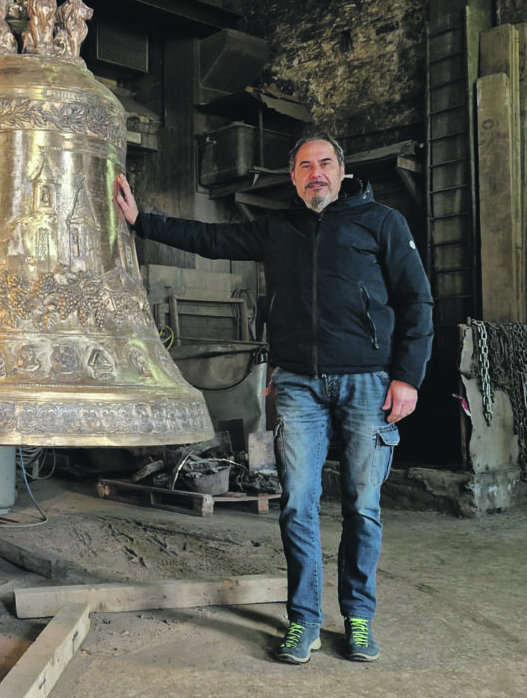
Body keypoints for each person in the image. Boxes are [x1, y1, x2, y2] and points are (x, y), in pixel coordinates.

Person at [114, 133, 433, 664]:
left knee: (363, 507)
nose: (317, 174)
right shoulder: (278, 229)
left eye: (325, 163)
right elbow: (212, 239)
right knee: (298, 506)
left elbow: (415, 300)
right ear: (293, 177)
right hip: (298, 385)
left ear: (341, 168)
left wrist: (408, 377)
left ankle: (357, 619)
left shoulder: (382, 223)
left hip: (367, 383)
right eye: (305, 166)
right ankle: (304, 621)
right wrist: (143, 221)